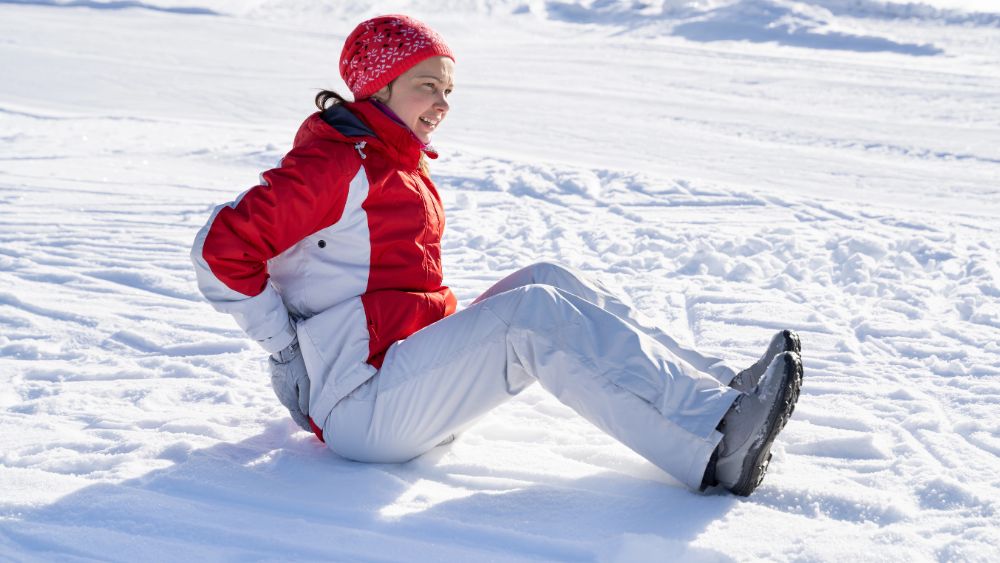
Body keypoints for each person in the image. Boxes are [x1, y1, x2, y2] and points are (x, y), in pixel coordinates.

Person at [191, 14, 802, 496]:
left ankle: (719, 388)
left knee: (546, 279)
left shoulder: (392, 162)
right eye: (426, 85)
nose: (442, 104)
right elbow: (220, 248)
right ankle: (717, 441)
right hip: (364, 407)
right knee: (529, 314)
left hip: (403, 379)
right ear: (378, 88)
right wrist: (284, 347)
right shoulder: (334, 164)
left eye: (448, 89)